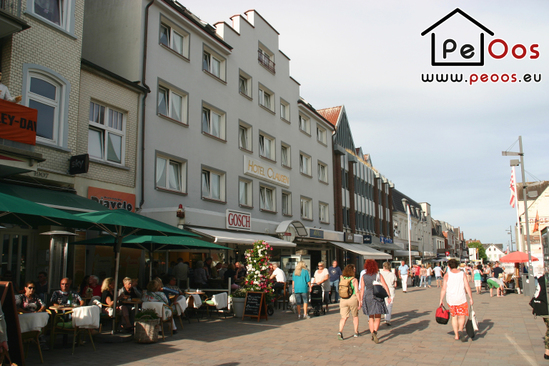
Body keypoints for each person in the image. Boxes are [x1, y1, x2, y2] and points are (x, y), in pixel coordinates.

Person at [439, 258, 474, 342]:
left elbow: (444, 288)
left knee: (454, 317)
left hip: (451, 299)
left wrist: (441, 299)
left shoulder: (447, 275)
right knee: (462, 316)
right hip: (461, 298)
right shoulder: (462, 274)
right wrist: (471, 298)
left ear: (449, 266)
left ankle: (456, 335)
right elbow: (467, 286)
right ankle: (461, 330)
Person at [359, 259, 390, 343]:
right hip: (377, 295)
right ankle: (375, 332)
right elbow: (385, 285)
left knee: (371, 317)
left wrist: (360, 300)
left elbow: (362, 289)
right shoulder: (378, 275)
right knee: (378, 316)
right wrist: (389, 296)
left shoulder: (364, 276)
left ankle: (372, 332)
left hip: (368, 296)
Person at [337, 264, 359, 340]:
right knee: (355, 316)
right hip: (352, 298)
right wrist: (359, 301)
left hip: (343, 299)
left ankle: (340, 331)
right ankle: (356, 332)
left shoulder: (342, 278)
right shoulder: (354, 280)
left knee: (343, 317)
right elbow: (357, 291)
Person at [380, 262, 397, 326]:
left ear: (383, 267)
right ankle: (387, 319)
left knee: (383, 304)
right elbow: (395, 284)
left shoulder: (380, 274)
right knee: (389, 305)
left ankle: (380, 317)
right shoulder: (392, 274)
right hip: (390, 290)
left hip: (382, 290)